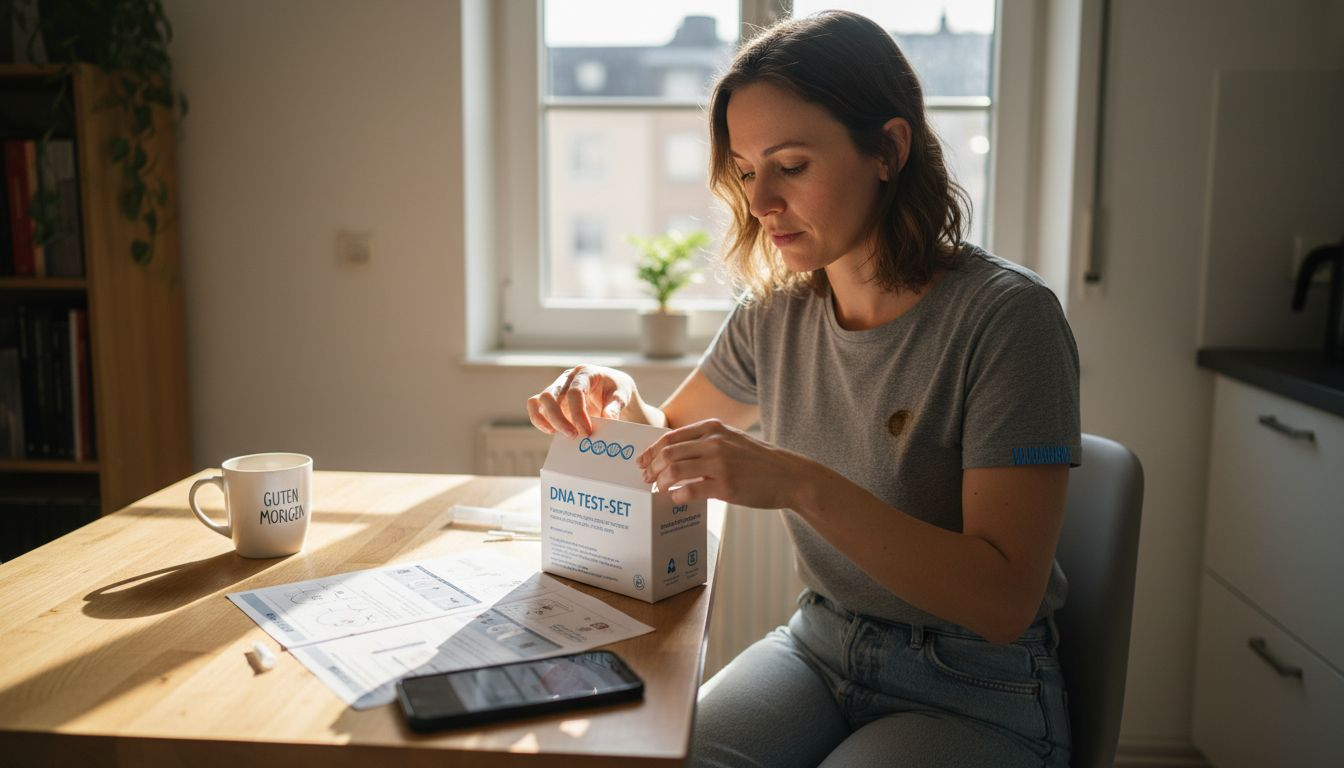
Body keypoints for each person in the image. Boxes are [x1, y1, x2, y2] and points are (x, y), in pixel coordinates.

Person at [526, 10, 1078, 768]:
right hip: (820, 645)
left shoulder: (1009, 320)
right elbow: (665, 439)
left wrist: (799, 484)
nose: (760, 203)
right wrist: (616, 400)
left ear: (887, 149)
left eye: (790, 165)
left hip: (977, 685)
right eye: (748, 171)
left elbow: (1006, 600)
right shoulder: (778, 312)